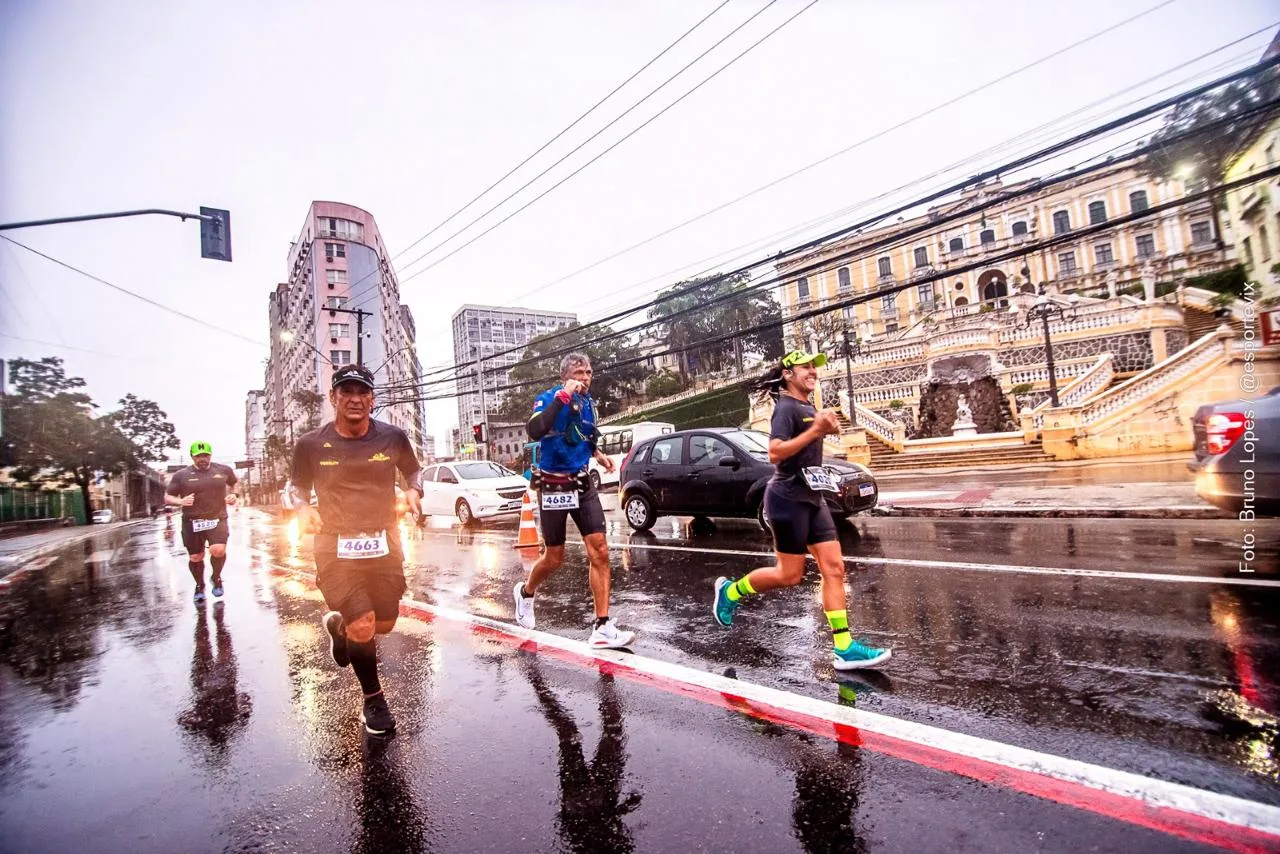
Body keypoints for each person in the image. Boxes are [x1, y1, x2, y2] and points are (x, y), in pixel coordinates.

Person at [712, 350, 891, 670]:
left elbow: (808, 454)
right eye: (805, 367)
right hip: (787, 499)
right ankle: (730, 592)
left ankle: (844, 647)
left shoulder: (809, 406)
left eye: (814, 367)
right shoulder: (785, 408)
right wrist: (815, 431)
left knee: (834, 569)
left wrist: (823, 432)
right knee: (789, 575)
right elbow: (775, 452)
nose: (812, 371)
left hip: (813, 499)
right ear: (788, 374)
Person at [290, 364, 423, 736]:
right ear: (333, 398)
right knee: (363, 622)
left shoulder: (393, 437)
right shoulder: (311, 444)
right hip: (335, 545)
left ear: (372, 399)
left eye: (362, 392)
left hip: (383, 542)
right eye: (345, 391)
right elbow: (296, 488)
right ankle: (373, 699)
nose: (354, 399)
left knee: (385, 623)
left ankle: (339, 628)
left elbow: (413, 472)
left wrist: (414, 491)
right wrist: (303, 508)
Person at [512, 352, 635, 649]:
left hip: (581, 483)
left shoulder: (589, 404)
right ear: (565, 376)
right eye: (579, 373)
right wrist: (563, 396)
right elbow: (536, 429)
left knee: (601, 550)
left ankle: (602, 626)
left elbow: (584, 432)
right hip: (553, 486)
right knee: (554, 558)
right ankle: (526, 593)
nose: (585, 378)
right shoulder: (548, 398)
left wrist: (597, 453)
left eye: (589, 372)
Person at [166, 441, 238, 603]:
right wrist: (181, 501)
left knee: (218, 550)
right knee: (196, 557)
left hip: (217, 518)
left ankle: (216, 577)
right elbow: (168, 496)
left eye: (205, 455)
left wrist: (234, 495)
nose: (202, 459)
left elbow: (234, 483)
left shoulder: (223, 470)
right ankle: (199, 585)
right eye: (198, 456)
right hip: (191, 521)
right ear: (192, 457)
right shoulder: (181, 475)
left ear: (210, 455)